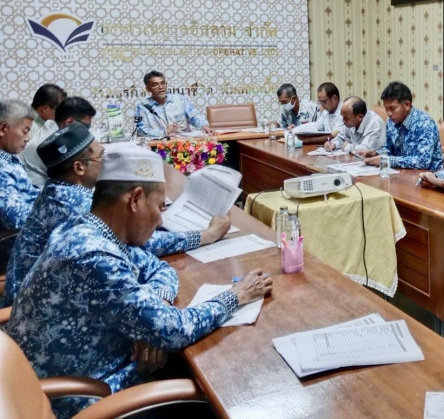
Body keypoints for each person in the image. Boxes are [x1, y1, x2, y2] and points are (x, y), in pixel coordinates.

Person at [5, 146, 272, 419]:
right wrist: (237, 295)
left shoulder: (89, 228)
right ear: (135, 200)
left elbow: (158, 268)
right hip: (84, 399)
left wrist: (154, 308)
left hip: (88, 371)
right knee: (221, 388)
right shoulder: (92, 255)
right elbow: (175, 330)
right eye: (159, 207)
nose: (160, 219)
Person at [5, 124, 231, 306]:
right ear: (79, 168)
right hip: (45, 309)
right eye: (101, 156)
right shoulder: (76, 204)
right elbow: (144, 244)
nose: (107, 162)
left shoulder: (58, 190)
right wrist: (206, 235)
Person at [364, 81, 443, 171]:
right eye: (386, 109)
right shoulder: (391, 121)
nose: (389, 113)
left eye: (392, 108)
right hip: (401, 172)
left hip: (428, 175)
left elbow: (423, 161)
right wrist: (377, 154)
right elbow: (389, 148)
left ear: (407, 105)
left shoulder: (424, 123)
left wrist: (388, 160)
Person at [20, 95, 96, 187]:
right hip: (38, 188)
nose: (86, 131)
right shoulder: (53, 142)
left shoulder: (52, 126)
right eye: (85, 127)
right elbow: (76, 173)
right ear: (69, 122)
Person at [0, 99, 40, 229]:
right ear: (3, 129)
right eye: (25, 131)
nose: (28, 138)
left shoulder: (10, 158)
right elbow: (15, 219)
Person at [135, 71, 212, 138]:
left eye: (163, 83)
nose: (161, 87)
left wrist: (204, 126)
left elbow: (195, 117)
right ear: (148, 89)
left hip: (183, 144)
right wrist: (165, 132)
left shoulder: (180, 99)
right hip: (158, 145)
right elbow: (140, 131)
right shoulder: (143, 106)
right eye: (155, 84)